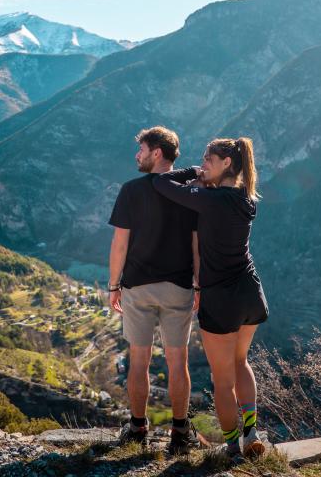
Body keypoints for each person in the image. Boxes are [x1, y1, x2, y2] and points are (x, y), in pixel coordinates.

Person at [152, 137, 269, 459]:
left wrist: (194, 174)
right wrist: (207, 179)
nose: (202, 164)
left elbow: (162, 182)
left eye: (208, 160)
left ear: (227, 163)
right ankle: (252, 433)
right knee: (241, 362)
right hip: (250, 292)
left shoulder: (209, 200)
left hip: (220, 298)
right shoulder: (247, 200)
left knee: (222, 379)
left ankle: (232, 445)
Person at [108, 126, 201, 455]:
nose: (137, 155)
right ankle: (180, 433)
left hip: (138, 288)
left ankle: (137, 428)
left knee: (139, 362)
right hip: (178, 288)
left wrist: (112, 286)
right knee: (179, 363)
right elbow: (196, 244)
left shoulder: (131, 190)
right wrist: (198, 284)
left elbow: (120, 244)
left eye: (142, 150)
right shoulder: (191, 192)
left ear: (157, 153)